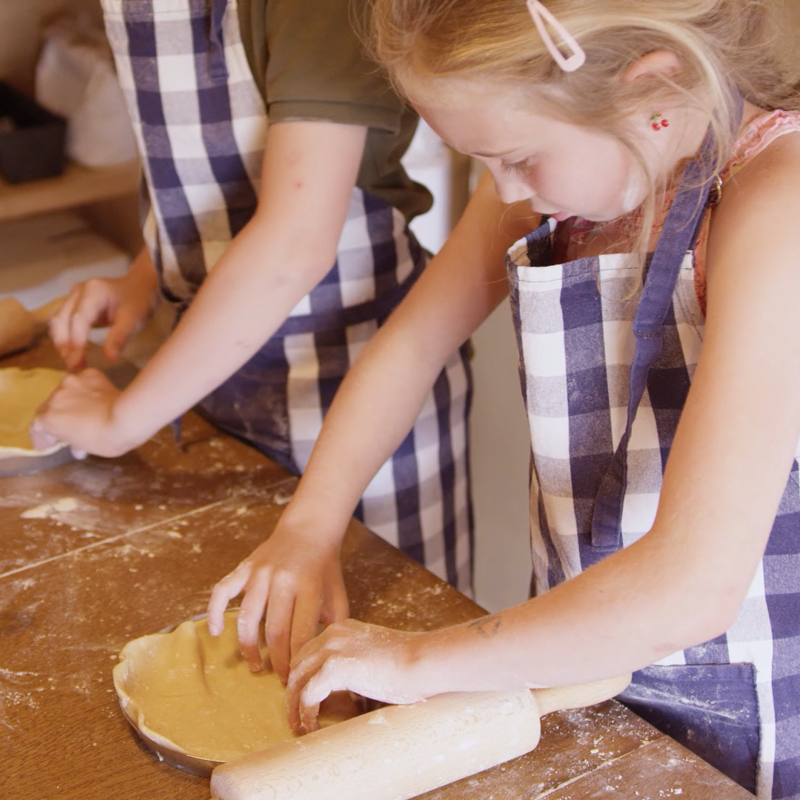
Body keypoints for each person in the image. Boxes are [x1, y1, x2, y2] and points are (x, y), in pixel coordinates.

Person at [205, 0, 800, 796]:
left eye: (516, 156)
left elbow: (690, 588)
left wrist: (418, 659)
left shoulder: (775, 212)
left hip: (753, 701)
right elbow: (411, 346)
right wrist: (310, 526)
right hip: (575, 657)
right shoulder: (565, 177)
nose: (504, 189)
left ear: (654, 91)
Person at [30, 0, 475, 680]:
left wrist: (121, 420)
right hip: (221, 378)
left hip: (357, 383)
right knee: (252, 655)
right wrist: (146, 275)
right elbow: (215, 173)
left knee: (377, 669)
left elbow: (296, 239)